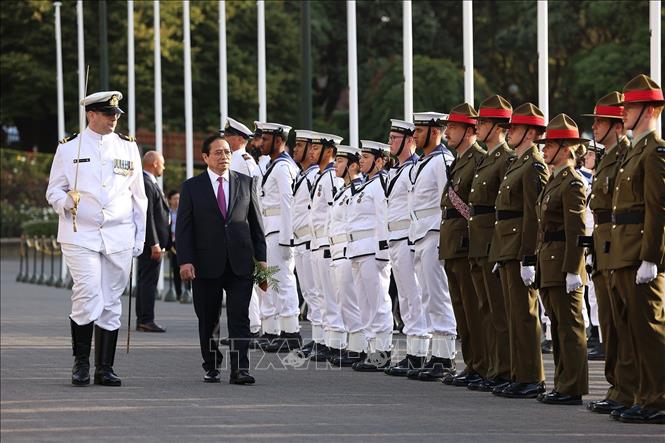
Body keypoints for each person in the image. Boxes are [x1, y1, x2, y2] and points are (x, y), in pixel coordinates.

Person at [46, 90, 147, 386]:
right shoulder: (69, 149)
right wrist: (65, 201)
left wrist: (140, 234)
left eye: (116, 114)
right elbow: (53, 190)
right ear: (91, 114)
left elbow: (138, 197)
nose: (113, 119)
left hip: (118, 234)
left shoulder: (128, 148)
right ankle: (80, 363)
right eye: (107, 114)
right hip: (80, 233)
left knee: (112, 300)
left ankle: (105, 367)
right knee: (89, 292)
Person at [176, 136, 266, 384]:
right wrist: (185, 261)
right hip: (205, 264)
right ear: (205, 157)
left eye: (226, 152)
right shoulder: (192, 187)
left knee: (240, 317)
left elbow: (257, 224)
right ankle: (212, 364)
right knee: (208, 318)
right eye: (217, 153)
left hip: (240, 262)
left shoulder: (246, 182)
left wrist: (262, 260)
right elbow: (183, 229)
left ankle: (241, 369)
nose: (224, 156)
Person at [608, 74, 665, 424]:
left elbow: (658, 209)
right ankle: (645, 396)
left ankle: (658, 398)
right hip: (625, 251)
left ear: (648, 109)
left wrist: (651, 257)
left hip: (640, 253)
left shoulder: (655, 150)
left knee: (650, 329)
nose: (624, 112)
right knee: (634, 332)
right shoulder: (636, 150)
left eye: (629, 106)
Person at [580, 91, 636, 414]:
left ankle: (631, 388)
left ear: (617, 126)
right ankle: (617, 387)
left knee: (624, 323)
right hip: (602, 244)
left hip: (618, 245)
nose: (596, 127)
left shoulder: (625, 155)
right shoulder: (607, 158)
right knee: (609, 323)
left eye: (602, 122)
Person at [488, 103, 549, 399]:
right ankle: (518, 373)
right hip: (507, 246)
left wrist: (529, 257)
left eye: (514, 128)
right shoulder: (517, 162)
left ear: (529, 133)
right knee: (513, 314)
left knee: (525, 314)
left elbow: (533, 215)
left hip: (519, 247)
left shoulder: (534, 164)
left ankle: (532, 377)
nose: (509, 132)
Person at [534, 114, 589, 405]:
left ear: (566, 148)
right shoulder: (555, 180)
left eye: (550, 144)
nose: (544, 149)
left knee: (570, 327)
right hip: (549, 261)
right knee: (557, 326)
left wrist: (572, 269)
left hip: (562, 262)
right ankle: (562, 383)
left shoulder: (572, 183)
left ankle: (572, 387)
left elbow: (576, 230)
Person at [463, 95, 515, 392]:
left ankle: (504, 368)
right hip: (479, 240)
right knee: (485, 308)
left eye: (482, 122)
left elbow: (501, 209)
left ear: (497, 127)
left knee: (499, 311)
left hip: (493, 241)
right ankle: (493, 367)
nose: (478, 126)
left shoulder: (505, 158)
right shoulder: (487, 158)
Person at [439, 104, 487, 387]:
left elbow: (473, 206)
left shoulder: (478, 159)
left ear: (470, 130)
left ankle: (482, 364)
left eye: (454, 128)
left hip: (466, 240)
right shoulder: (458, 160)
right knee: (461, 307)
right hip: (452, 241)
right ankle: (472, 362)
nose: (448, 133)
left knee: (473, 306)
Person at [407, 112, 456, 382]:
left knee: (438, 295)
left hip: (435, 232)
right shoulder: (424, 162)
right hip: (420, 233)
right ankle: (436, 354)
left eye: (420, 129)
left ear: (435, 132)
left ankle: (445, 356)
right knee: (427, 295)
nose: (414, 134)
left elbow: (451, 201)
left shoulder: (442, 161)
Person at [383, 119, 429, 376]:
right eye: (390, 137)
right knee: (406, 298)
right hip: (395, 238)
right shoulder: (396, 170)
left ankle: (420, 352)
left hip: (408, 237)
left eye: (395, 137)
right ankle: (413, 351)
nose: (390, 142)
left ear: (409, 141)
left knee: (415, 295)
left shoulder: (414, 169)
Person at [254, 122, 301, 352]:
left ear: (279, 141)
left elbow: (287, 203)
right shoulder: (273, 166)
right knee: (272, 283)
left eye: (265, 139)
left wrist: (287, 237)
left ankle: (291, 332)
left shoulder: (283, 167)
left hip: (278, 230)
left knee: (283, 281)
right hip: (269, 228)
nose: (261, 143)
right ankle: (276, 330)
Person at [347, 140, 393, 372]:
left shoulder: (380, 184)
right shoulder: (366, 185)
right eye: (361, 157)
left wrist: (383, 253)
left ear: (379, 161)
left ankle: (382, 351)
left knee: (378, 301)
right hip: (358, 249)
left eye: (366, 157)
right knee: (364, 302)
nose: (361, 161)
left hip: (373, 250)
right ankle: (370, 347)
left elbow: (383, 218)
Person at [224, 117, 263, 344]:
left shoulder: (240, 160)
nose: (225, 140)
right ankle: (248, 326)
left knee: (242, 277)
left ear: (239, 139)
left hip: (242, 225)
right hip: (242, 225)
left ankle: (251, 326)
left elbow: (244, 197)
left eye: (228, 136)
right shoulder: (241, 159)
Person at [308, 132, 345, 361]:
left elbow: (334, 214)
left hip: (325, 243)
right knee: (321, 295)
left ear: (329, 151)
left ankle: (336, 341)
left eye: (315, 148)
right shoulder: (320, 176)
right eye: (310, 148)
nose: (311, 152)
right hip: (315, 242)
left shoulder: (332, 177)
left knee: (330, 296)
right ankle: (326, 340)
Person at [328, 145, 366, 367]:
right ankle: (354, 345)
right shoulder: (343, 191)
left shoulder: (356, 189)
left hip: (347, 249)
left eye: (340, 161)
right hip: (337, 250)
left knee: (352, 301)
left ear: (353, 166)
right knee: (344, 300)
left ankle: (358, 347)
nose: (335, 164)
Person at [290, 130, 324, 357]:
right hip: (300, 238)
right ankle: (318, 337)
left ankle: (323, 339)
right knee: (310, 292)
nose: (295, 149)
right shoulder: (304, 176)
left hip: (311, 238)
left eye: (302, 145)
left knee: (318, 292)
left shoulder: (315, 177)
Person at [135, 151, 169, 333]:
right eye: (162, 164)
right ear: (155, 164)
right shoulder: (147, 183)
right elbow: (146, 216)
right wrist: (154, 243)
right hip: (151, 245)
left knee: (145, 281)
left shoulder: (148, 181)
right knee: (148, 282)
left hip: (151, 243)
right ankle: (146, 319)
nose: (164, 167)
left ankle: (143, 318)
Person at [167, 190, 182, 300]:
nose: (177, 201)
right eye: (175, 199)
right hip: (172, 244)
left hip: (183, 242)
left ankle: (189, 291)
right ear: (170, 200)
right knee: (176, 269)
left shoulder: (183, 211)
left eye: (178, 198)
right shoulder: (167, 213)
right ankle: (178, 293)